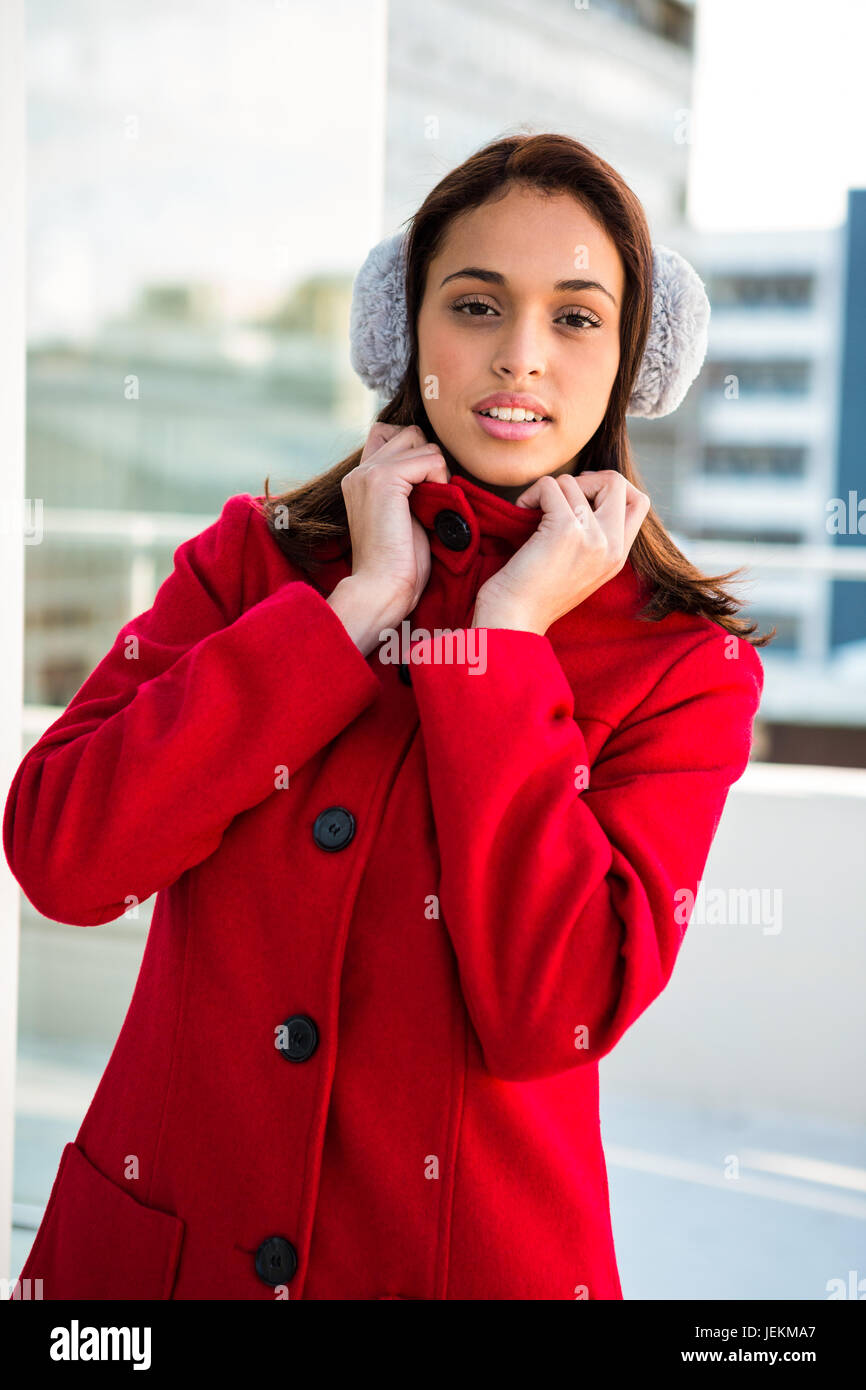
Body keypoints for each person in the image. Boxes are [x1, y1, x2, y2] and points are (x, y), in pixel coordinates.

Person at [4, 132, 772, 1301]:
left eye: (574, 318)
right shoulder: (253, 567)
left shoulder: (683, 666)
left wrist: (504, 647)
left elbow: (549, 1014)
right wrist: (347, 612)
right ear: (403, 328)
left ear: (631, 362)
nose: (519, 358)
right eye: (475, 304)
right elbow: (66, 855)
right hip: (158, 1268)